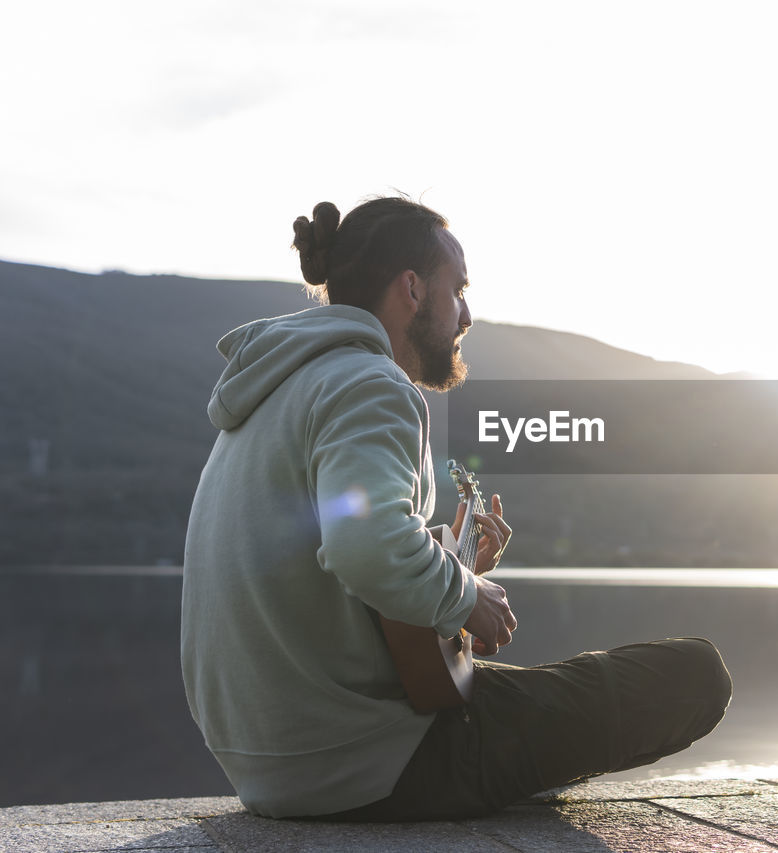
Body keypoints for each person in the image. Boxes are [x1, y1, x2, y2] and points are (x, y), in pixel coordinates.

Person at [181, 195, 732, 821]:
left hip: (272, 764)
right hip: (365, 760)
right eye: (458, 290)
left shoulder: (275, 390)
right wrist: (468, 597)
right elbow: (364, 546)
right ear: (412, 289)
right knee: (694, 674)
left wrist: (448, 551)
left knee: (545, 697)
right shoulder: (369, 382)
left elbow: (328, 547)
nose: (466, 314)